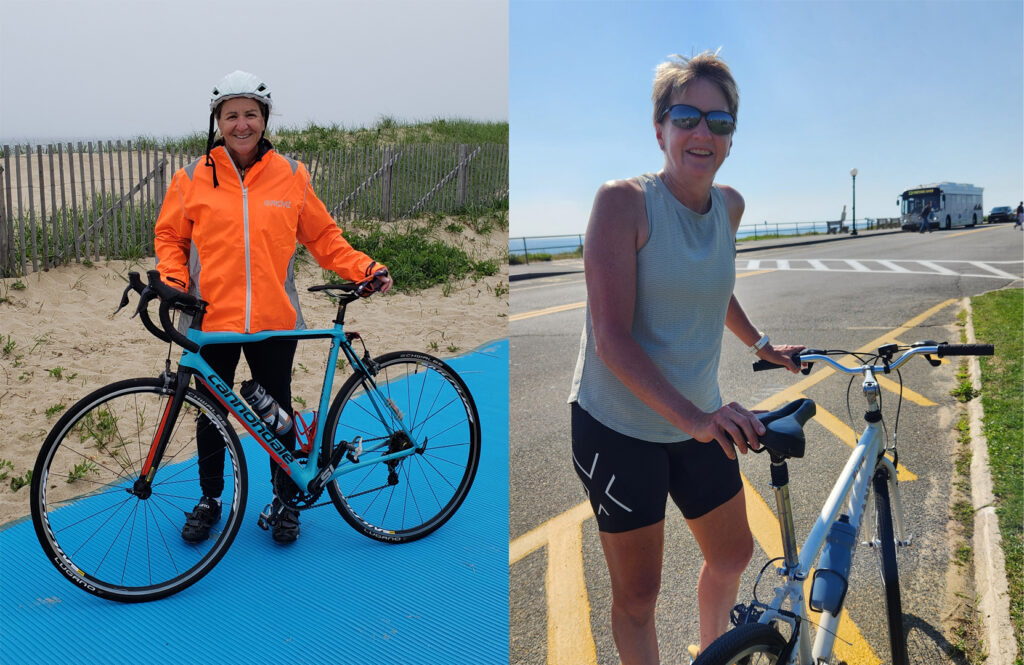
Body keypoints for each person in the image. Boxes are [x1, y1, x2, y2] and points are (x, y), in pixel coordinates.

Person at [567, 52, 803, 664]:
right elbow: (611, 336)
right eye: (687, 116)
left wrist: (760, 345)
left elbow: (712, 285)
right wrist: (697, 420)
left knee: (732, 556)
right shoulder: (624, 203)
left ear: (731, 138)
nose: (703, 133)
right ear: (660, 129)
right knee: (639, 596)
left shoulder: (729, 207)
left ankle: (712, 652)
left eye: (719, 123)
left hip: (698, 417)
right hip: (619, 426)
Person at [154, 70, 392, 544]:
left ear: (264, 118)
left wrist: (364, 267)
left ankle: (286, 501)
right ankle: (211, 499)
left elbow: (324, 238)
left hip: (273, 322)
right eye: (231, 115)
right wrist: (176, 282)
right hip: (210, 319)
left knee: (275, 413)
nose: (241, 124)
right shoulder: (190, 179)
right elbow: (170, 237)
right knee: (211, 414)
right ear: (217, 121)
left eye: (251, 114)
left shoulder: (292, 175)